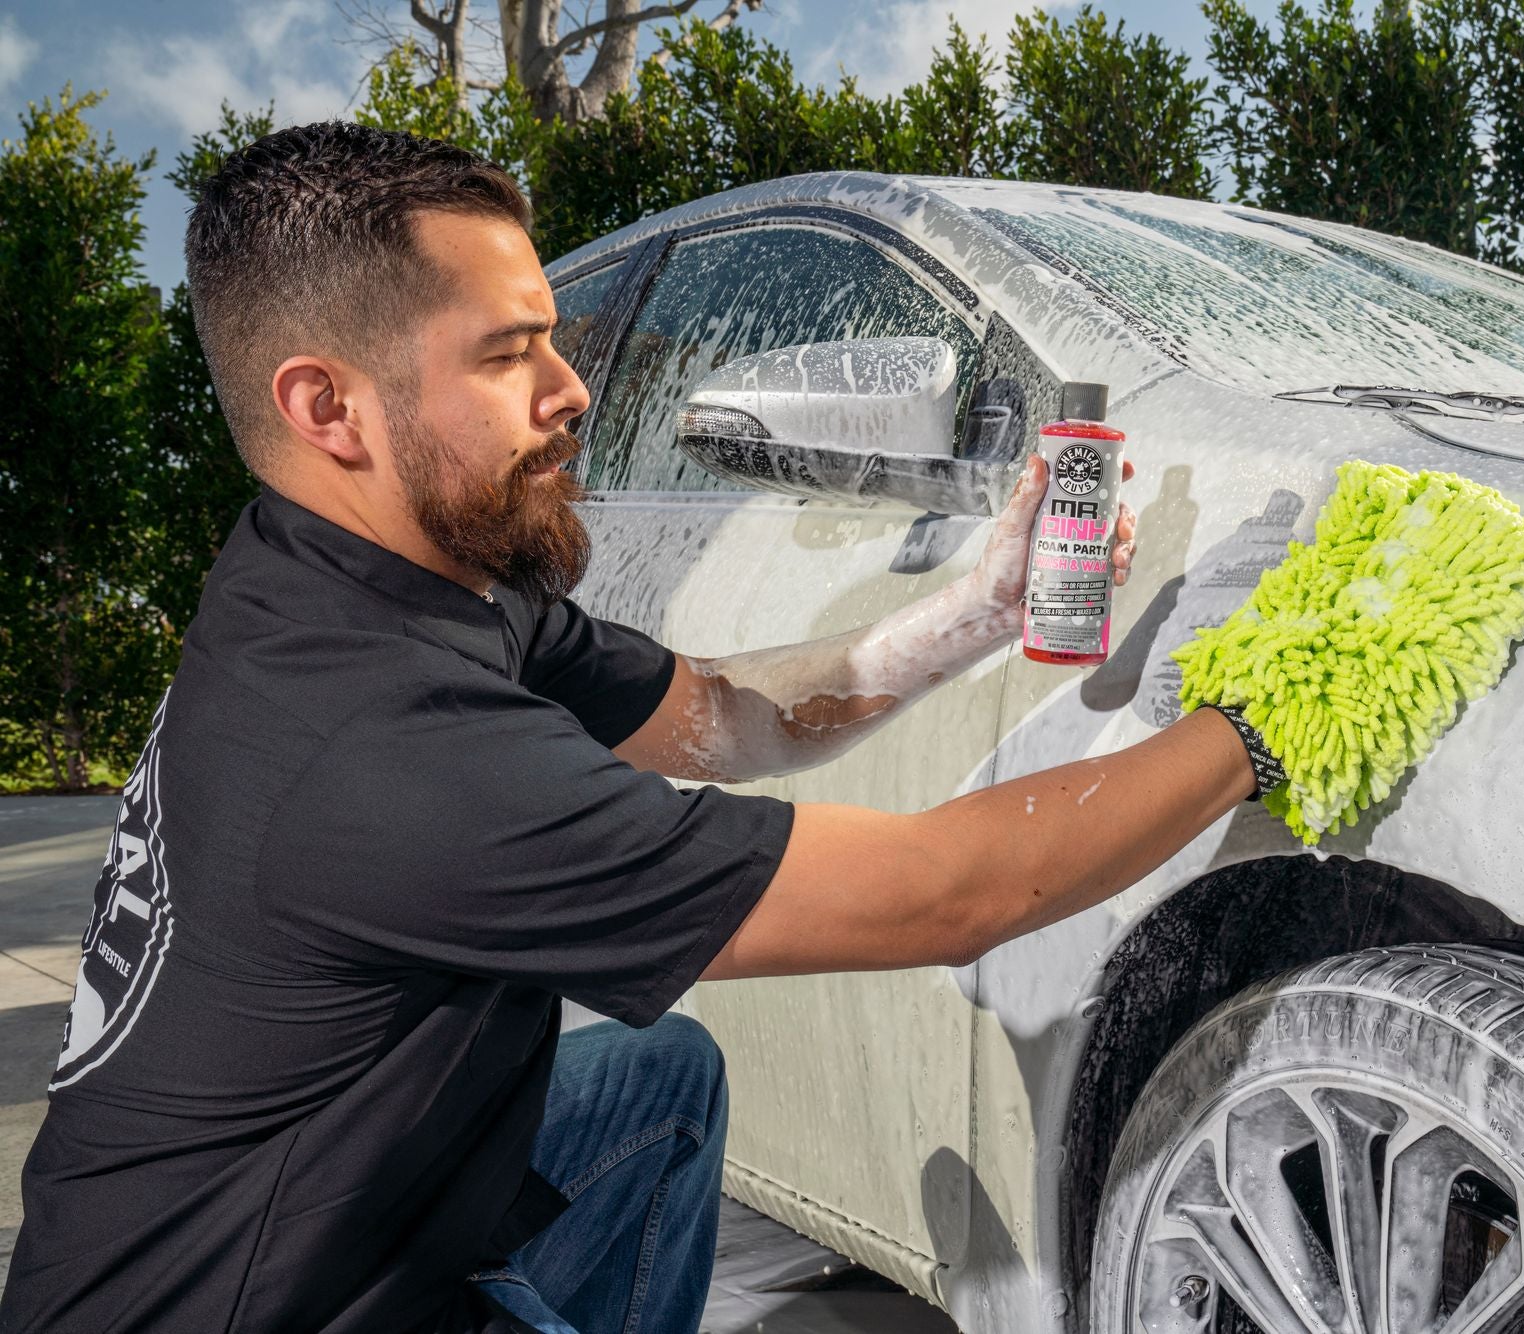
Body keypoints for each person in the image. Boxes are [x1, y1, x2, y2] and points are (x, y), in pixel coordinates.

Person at [0, 124, 1263, 1334]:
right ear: (329, 409)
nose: (574, 389)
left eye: (554, 339)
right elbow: (949, 893)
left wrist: (979, 610)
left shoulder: (356, 568)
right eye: (506, 356)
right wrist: (1256, 717)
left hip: (248, 1225)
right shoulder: (386, 752)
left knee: (658, 1077)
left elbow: (718, 714)